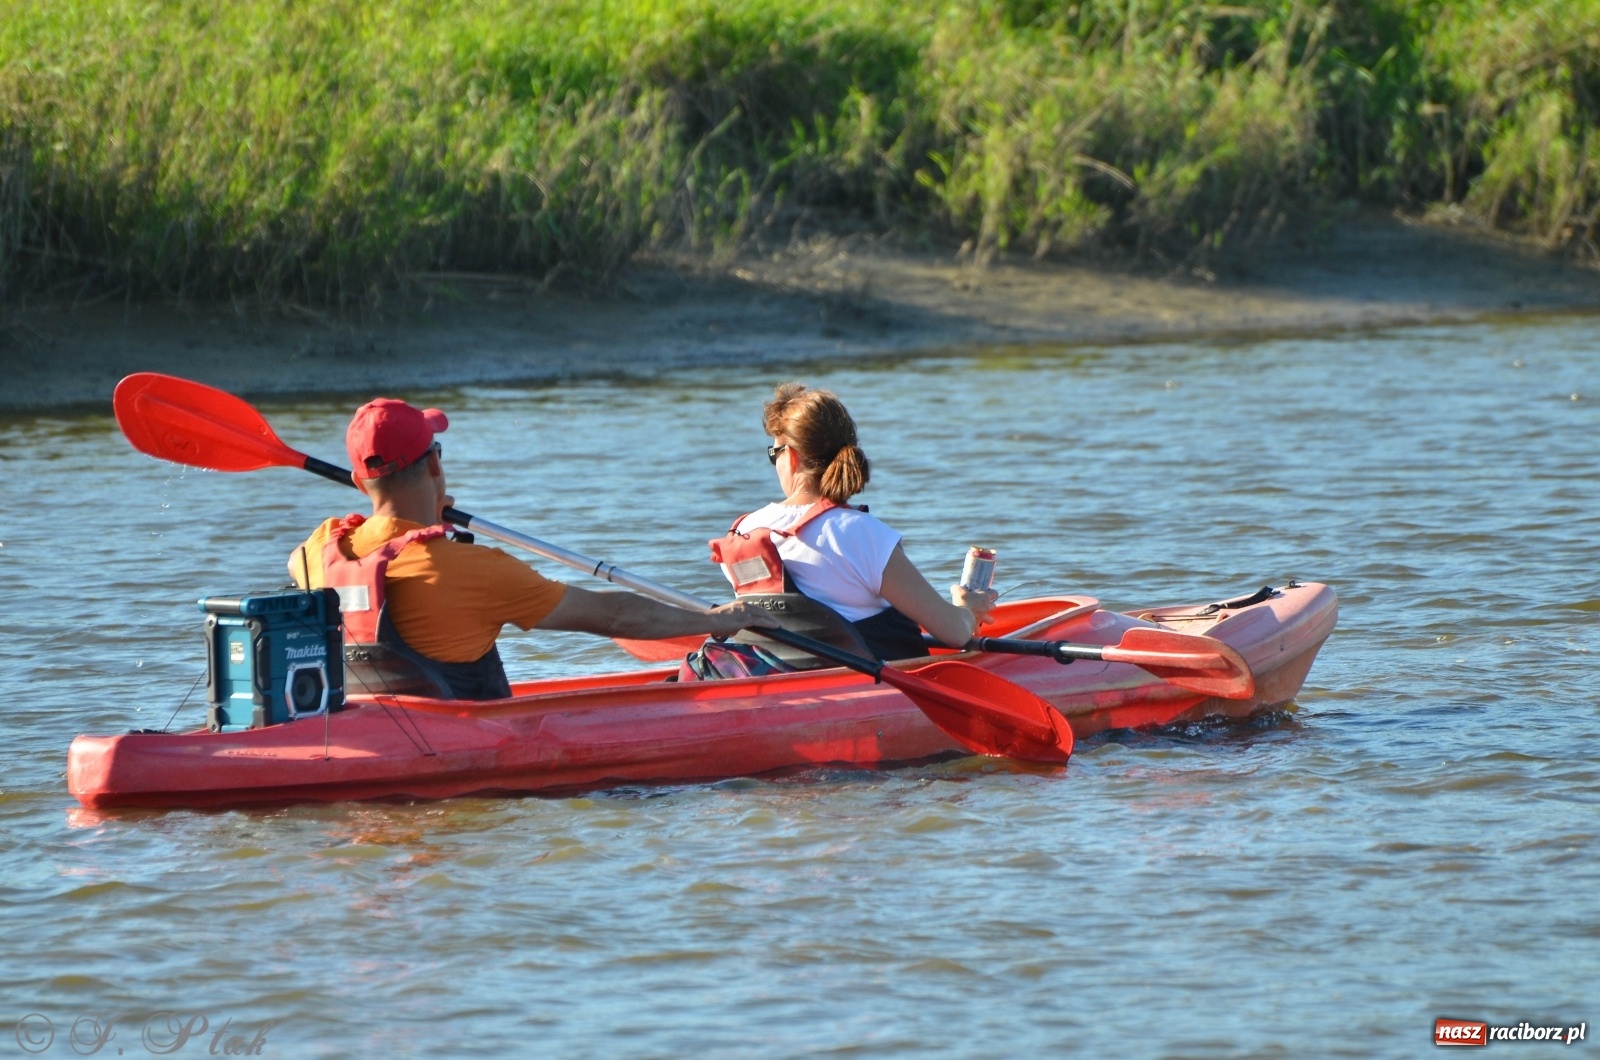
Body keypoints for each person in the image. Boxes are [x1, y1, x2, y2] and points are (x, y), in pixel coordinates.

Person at [290, 397, 777, 699]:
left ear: (358, 482)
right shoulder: (472, 570)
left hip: (366, 727)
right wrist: (720, 620)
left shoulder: (319, 548)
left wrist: (415, 524)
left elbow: (309, 561)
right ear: (435, 466)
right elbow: (615, 617)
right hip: (455, 741)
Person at [709, 382, 996, 661]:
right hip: (863, 686)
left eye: (774, 454)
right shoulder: (861, 534)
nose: (776, 464)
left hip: (782, 682)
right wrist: (967, 609)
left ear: (793, 457)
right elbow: (954, 633)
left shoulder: (742, 532)